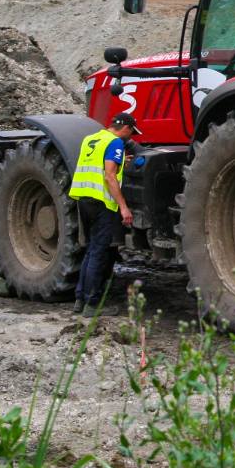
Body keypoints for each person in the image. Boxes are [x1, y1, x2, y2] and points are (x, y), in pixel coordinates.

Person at [69, 112, 138, 316]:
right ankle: (92, 305)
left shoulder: (91, 139)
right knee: (99, 253)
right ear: (125, 127)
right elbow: (109, 176)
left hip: (84, 198)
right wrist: (123, 207)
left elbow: (99, 166)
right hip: (102, 203)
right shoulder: (116, 143)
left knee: (90, 250)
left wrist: (120, 164)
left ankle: (80, 300)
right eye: (131, 131)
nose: (131, 136)